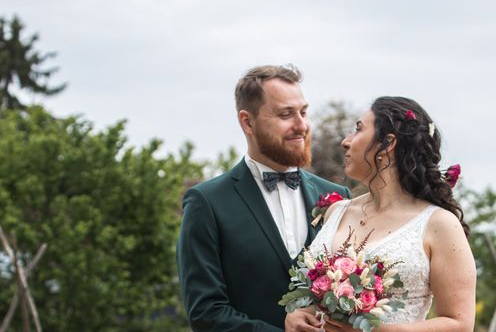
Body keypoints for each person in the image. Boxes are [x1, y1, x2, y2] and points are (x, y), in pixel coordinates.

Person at [176, 64, 350, 332]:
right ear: (247, 122)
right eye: (285, 114)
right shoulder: (206, 203)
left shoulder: (338, 198)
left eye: (303, 112)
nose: (301, 125)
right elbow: (205, 312)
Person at [303, 96, 476, 332]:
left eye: (358, 129)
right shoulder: (336, 211)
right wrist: (298, 315)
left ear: (387, 143)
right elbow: (314, 302)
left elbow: (460, 324)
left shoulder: (439, 224)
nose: (345, 141)